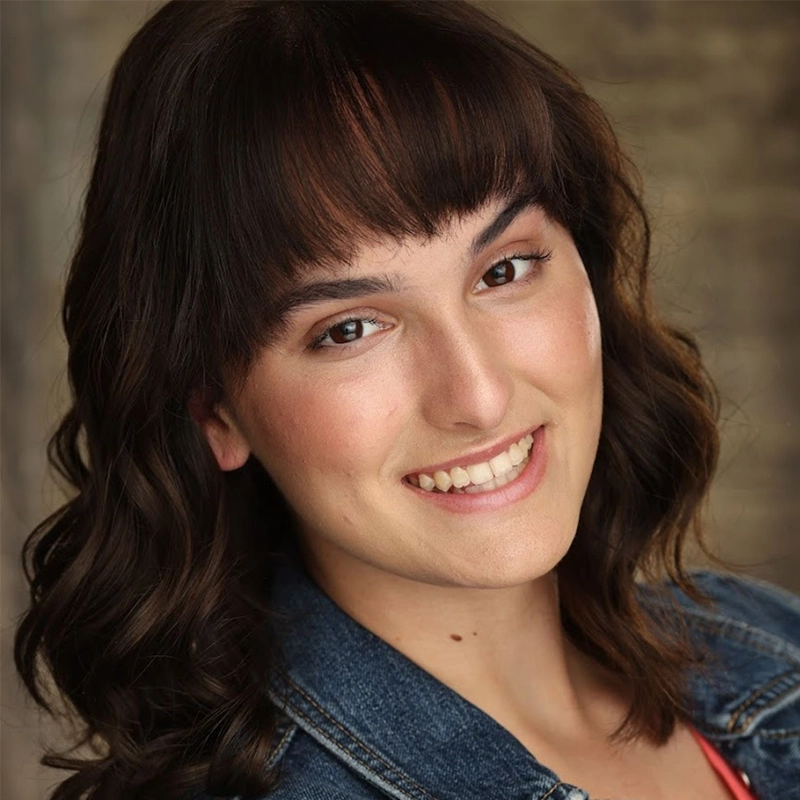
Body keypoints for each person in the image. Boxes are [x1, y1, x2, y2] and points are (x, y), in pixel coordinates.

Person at [14, 2, 800, 799]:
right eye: (350, 327)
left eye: (503, 271)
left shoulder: (769, 650)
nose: (480, 397)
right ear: (212, 409)